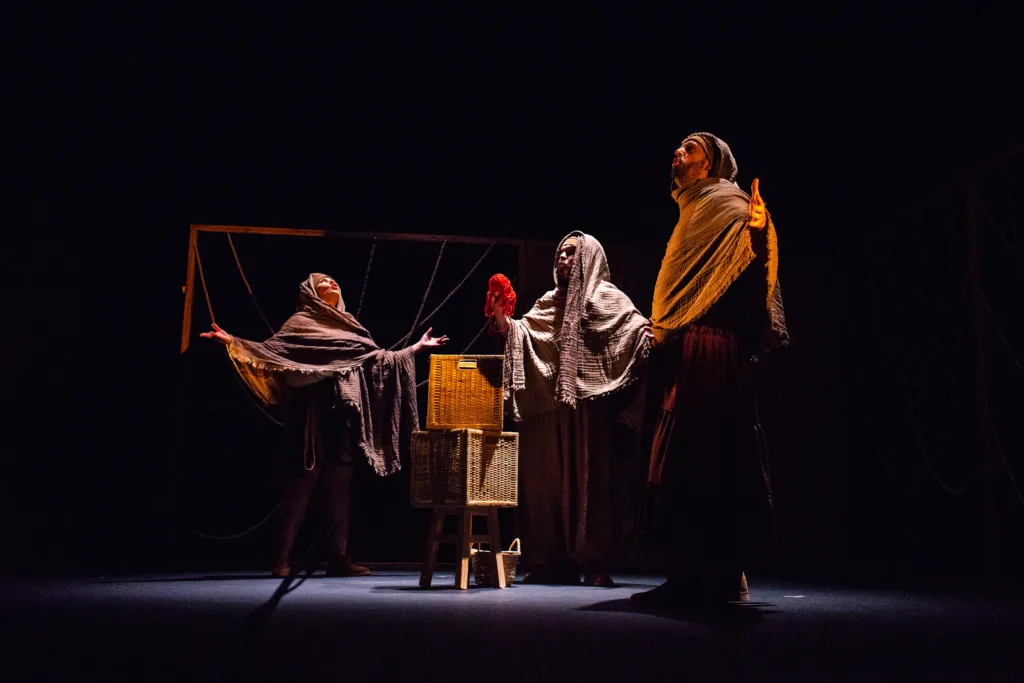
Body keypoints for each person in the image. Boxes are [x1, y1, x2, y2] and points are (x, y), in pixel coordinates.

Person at [202, 273, 448, 577]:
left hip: (342, 410)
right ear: (309, 291)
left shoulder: (350, 326)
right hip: (311, 409)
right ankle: (281, 557)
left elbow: (379, 360)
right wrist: (234, 341)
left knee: (340, 484)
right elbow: (271, 353)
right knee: (303, 481)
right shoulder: (300, 323)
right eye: (322, 280)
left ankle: (338, 557)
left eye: (333, 280)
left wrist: (417, 348)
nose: (331, 282)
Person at [631, 132, 789, 607]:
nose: (676, 154)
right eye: (677, 149)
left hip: (715, 348)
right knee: (681, 456)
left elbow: (757, 274)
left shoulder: (730, 204)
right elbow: (677, 286)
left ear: (711, 164)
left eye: (689, 149)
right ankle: (695, 570)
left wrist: (759, 234)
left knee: (710, 453)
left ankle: (719, 572)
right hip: (686, 348)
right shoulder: (691, 214)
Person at [490, 232, 653, 586]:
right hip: (551, 410)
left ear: (590, 259)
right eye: (560, 254)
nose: (562, 260)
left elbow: (636, 328)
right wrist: (504, 320)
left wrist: (646, 337)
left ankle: (594, 560)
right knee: (546, 483)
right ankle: (550, 560)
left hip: (589, 410)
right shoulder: (548, 302)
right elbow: (524, 335)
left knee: (589, 483)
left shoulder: (607, 299)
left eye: (571, 254)